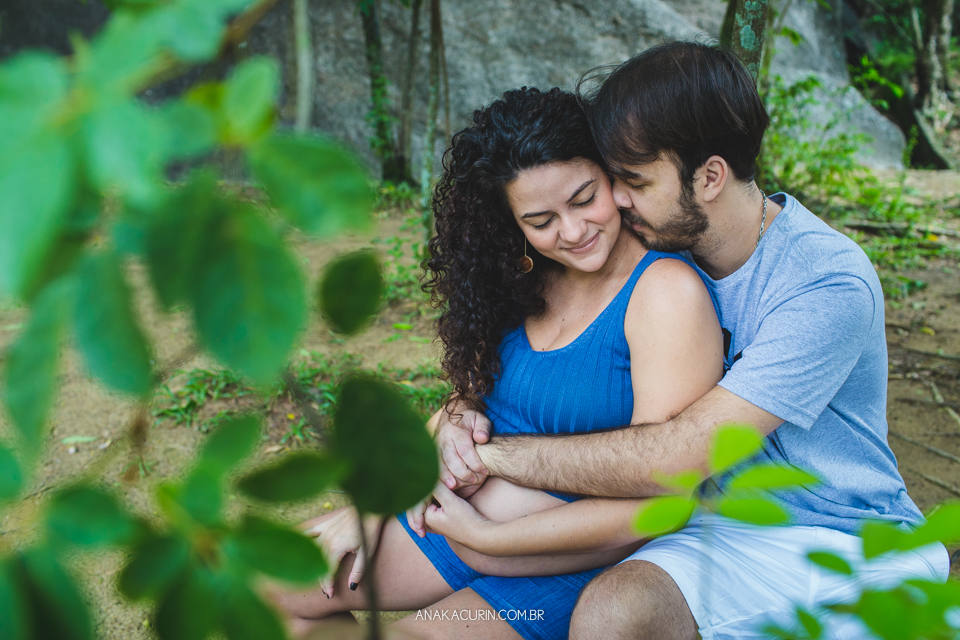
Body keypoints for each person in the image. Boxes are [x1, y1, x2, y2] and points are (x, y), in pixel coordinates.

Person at [433, 42, 950, 640]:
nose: (614, 201)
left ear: (708, 177)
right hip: (707, 526)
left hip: (836, 534)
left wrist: (492, 454)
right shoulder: (655, 247)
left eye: (633, 180)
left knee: (612, 613)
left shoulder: (823, 281)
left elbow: (677, 456)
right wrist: (459, 409)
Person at [266, 86, 723, 640]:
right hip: (445, 524)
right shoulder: (525, 277)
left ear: (612, 177)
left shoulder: (664, 292)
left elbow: (662, 500)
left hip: (564, 561)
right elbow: (472, 406)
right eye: (540, 219)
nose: (573, 232)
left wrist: (487, 542)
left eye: (584, 199)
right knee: (259, 586)